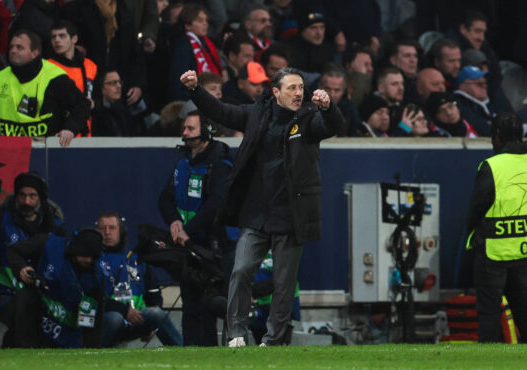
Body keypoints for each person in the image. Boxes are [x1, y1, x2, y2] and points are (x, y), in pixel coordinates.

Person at [180, 66, 346, 346]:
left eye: (301, 88)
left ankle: (273, 339)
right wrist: (195, 90)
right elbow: (222, 111)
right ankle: (235, 334)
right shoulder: (258, 113)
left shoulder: (308, 118)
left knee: (283, 284)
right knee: (241, 269)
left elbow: (333, 127)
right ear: (276, 92)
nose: (298, 93)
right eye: (291, 88)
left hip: (291, 214)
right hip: (256, 213)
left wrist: (328, 108)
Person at [158, 109, 235, 346]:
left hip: (215, 248)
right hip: (189, 247)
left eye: (191, 128)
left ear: (207, 132)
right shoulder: (183, 163)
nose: (185, 133)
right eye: (184, 128)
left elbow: (215, 205)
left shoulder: (220, 165)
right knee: (190, 306)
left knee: (209, 306)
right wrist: (174, 221)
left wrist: (186, 230)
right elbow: (165, 198)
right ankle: (190, 354)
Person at [466, 112, 527, 343]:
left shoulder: (492, 166)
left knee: (489, 312)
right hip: (522, 249)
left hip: (492, 251)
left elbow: (477, 208)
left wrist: (471, 238)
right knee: (523, 311)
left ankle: (487, 360)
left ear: (496, 136)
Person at [0, 172, 65, 347]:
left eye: (32, 196)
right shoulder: (1, 218)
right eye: (22, 195)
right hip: (3, 289)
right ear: (16, 196)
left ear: (40, 198)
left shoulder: (54, 225)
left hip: (42, 291)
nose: (27, 201)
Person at [96, 211, 184, 347]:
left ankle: (182, 352)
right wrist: (124, 311)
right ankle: (96, 352)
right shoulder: (92, 258)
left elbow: (153, 293)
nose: (107, 232)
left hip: (136, 319)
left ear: (122, 230)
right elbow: (94, 297)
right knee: (115, 318)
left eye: (112, 228)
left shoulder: (136, 257)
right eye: (102, 228)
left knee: (156, 313)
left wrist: (151, 326)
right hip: (106, 320)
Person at [8, 228, 105, 348]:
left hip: (68, 323)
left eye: (93, 257)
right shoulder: (48, 243)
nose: (89, 260)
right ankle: (23, 347)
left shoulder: (96, 275)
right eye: (86, 255)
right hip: (39, 306)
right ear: (75, 250)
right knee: (25, 296)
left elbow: (94, 316)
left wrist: (91, 349)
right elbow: (14, 252)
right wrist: (21, 267)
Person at [0, 29, 90, 146]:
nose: (13, 51)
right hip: (8, 151)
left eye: (19, 47)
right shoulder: (0, 76)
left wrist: (70, 129)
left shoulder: (55, 78)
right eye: (12, 47)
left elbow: (83, 105)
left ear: (34, 53)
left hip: (45, 154)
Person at [48, 20, 98, 137]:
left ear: (74, 39)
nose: (57, 40)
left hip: (87, 134)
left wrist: (94, 104)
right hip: (59, 135)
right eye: (53, 37)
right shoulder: (47, 67)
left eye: (62, 36)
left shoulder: (90, 66)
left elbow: (101, 98)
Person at [168, 3, 222, 101]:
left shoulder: (206, 43)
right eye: (200, 20)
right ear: (187, 25)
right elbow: (180, 77)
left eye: (206, 20)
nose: (205, 23)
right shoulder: (183, 45)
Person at [91, 70, 146, 136]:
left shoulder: (127, 112)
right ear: (102, 88)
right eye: (113, 83)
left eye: (120, 82)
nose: (119, 86)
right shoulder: (95, 114)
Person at [318, 65, 360, 136]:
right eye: (328, 89)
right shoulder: (309, 107)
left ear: (343, 91)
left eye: (337, 90)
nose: (332, 94)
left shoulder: (349, 109)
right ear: (319, 87)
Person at [454, 66, 495, 137]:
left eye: (485, 83)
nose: (484, 86)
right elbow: (484, 130)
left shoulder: (490, 101)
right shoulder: (459, 105)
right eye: (479, 84)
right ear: (462, 86)